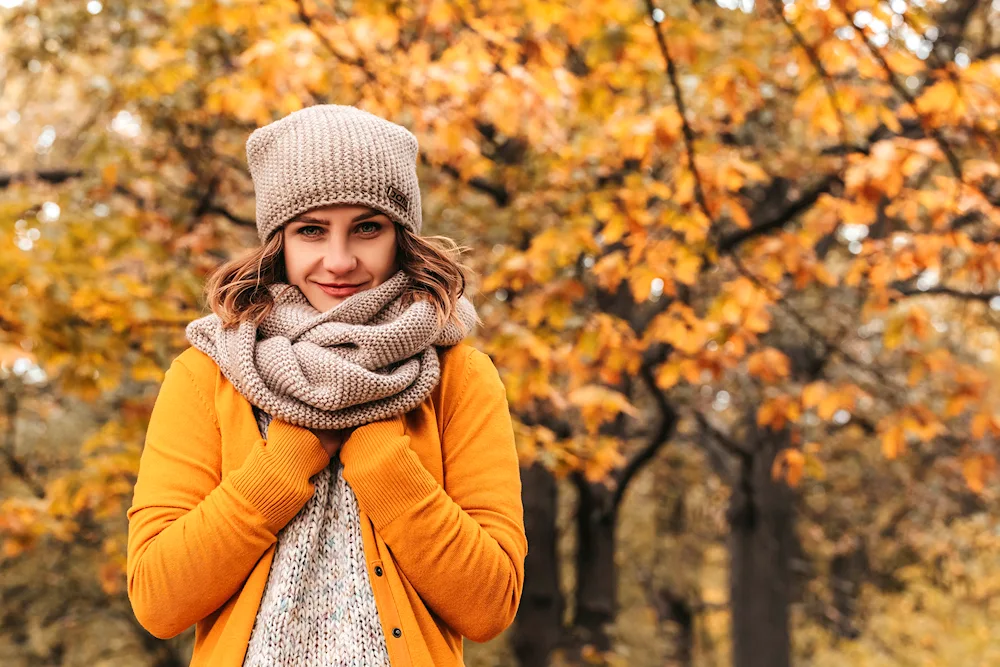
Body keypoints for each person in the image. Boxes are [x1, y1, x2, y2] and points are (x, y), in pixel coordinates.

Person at [125, 105, 527, 667]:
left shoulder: (460, 377)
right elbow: (158, 599)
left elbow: (490, 605)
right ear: (279, 242)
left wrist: (378, 452)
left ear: (400, 237)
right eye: (311, 230)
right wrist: (290, 455)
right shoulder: (205, 375)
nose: (339, 261)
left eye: (367, 227)